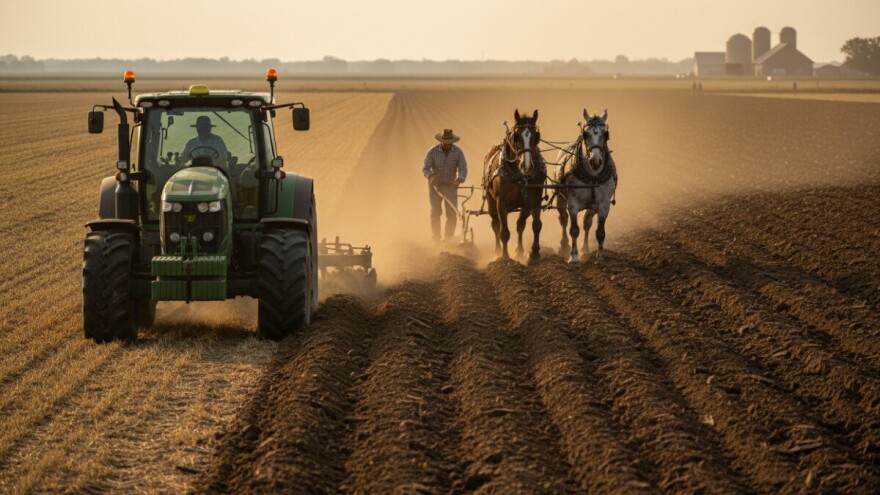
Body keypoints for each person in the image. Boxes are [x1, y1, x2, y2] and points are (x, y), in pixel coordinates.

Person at [422, 128, 467, 242]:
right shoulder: (432, 151)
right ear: (441, 141)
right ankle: (436, 238)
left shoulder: (458, 152)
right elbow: (425, 168)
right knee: (435, 212)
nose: (448, 145)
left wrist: (460, 179)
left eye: (450, 143)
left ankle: (448, 239)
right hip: (435, 186)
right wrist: (431, 176)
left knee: (452, 213)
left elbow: (463, 168)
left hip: (451, 186)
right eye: (445, 143)